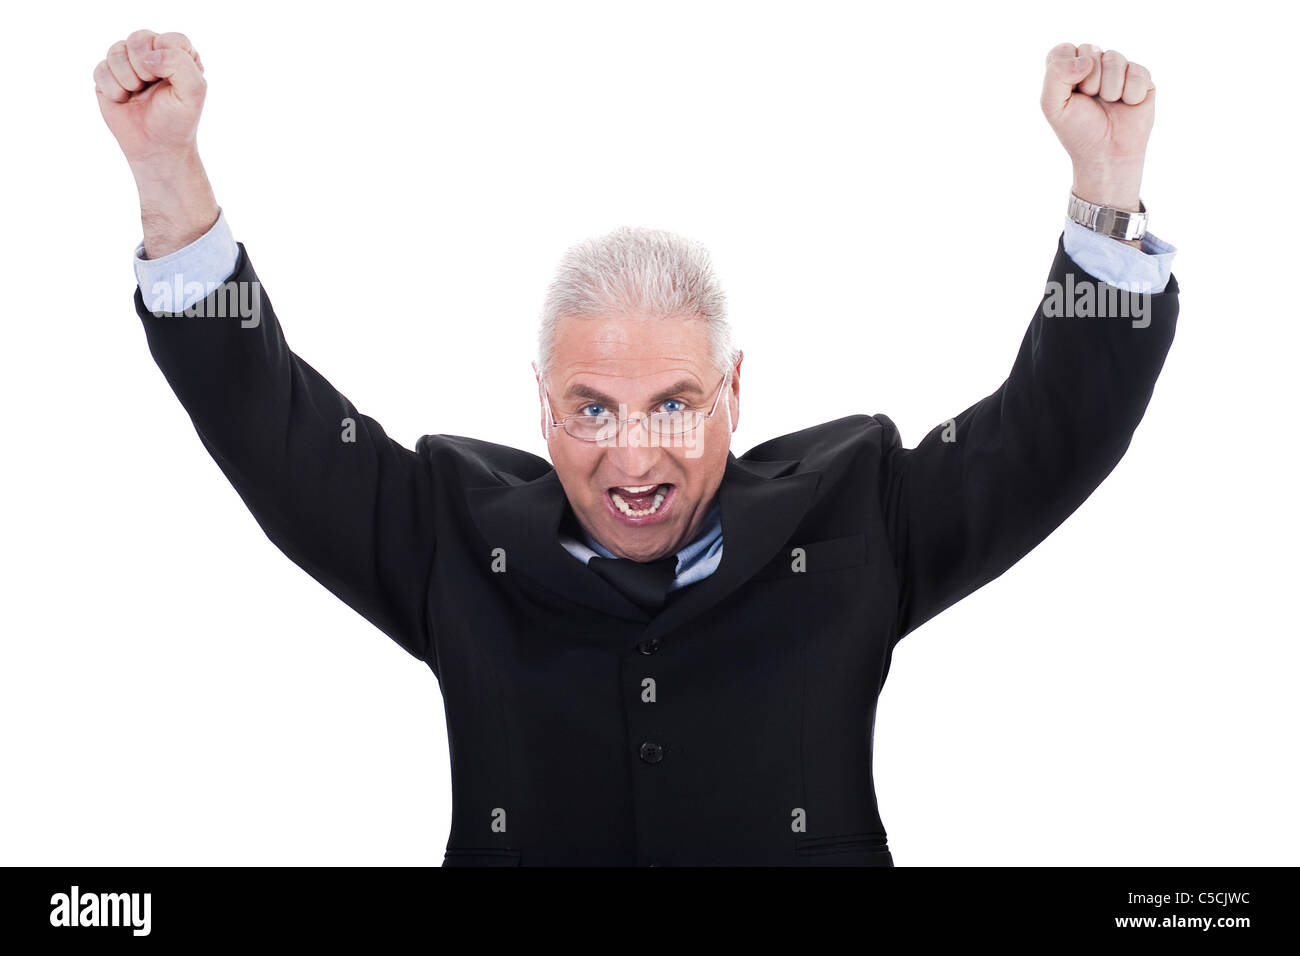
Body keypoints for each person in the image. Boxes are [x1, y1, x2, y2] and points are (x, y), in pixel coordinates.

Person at [95, 31, 1179, 866]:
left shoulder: (855, 510)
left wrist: (1105, 197)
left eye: (671, 402)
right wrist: (169, 172)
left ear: (732, 394)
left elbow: (1051, 432)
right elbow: (267, 425)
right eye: (594, 408)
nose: (633, 454)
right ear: (541, 408)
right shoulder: (447, 529)